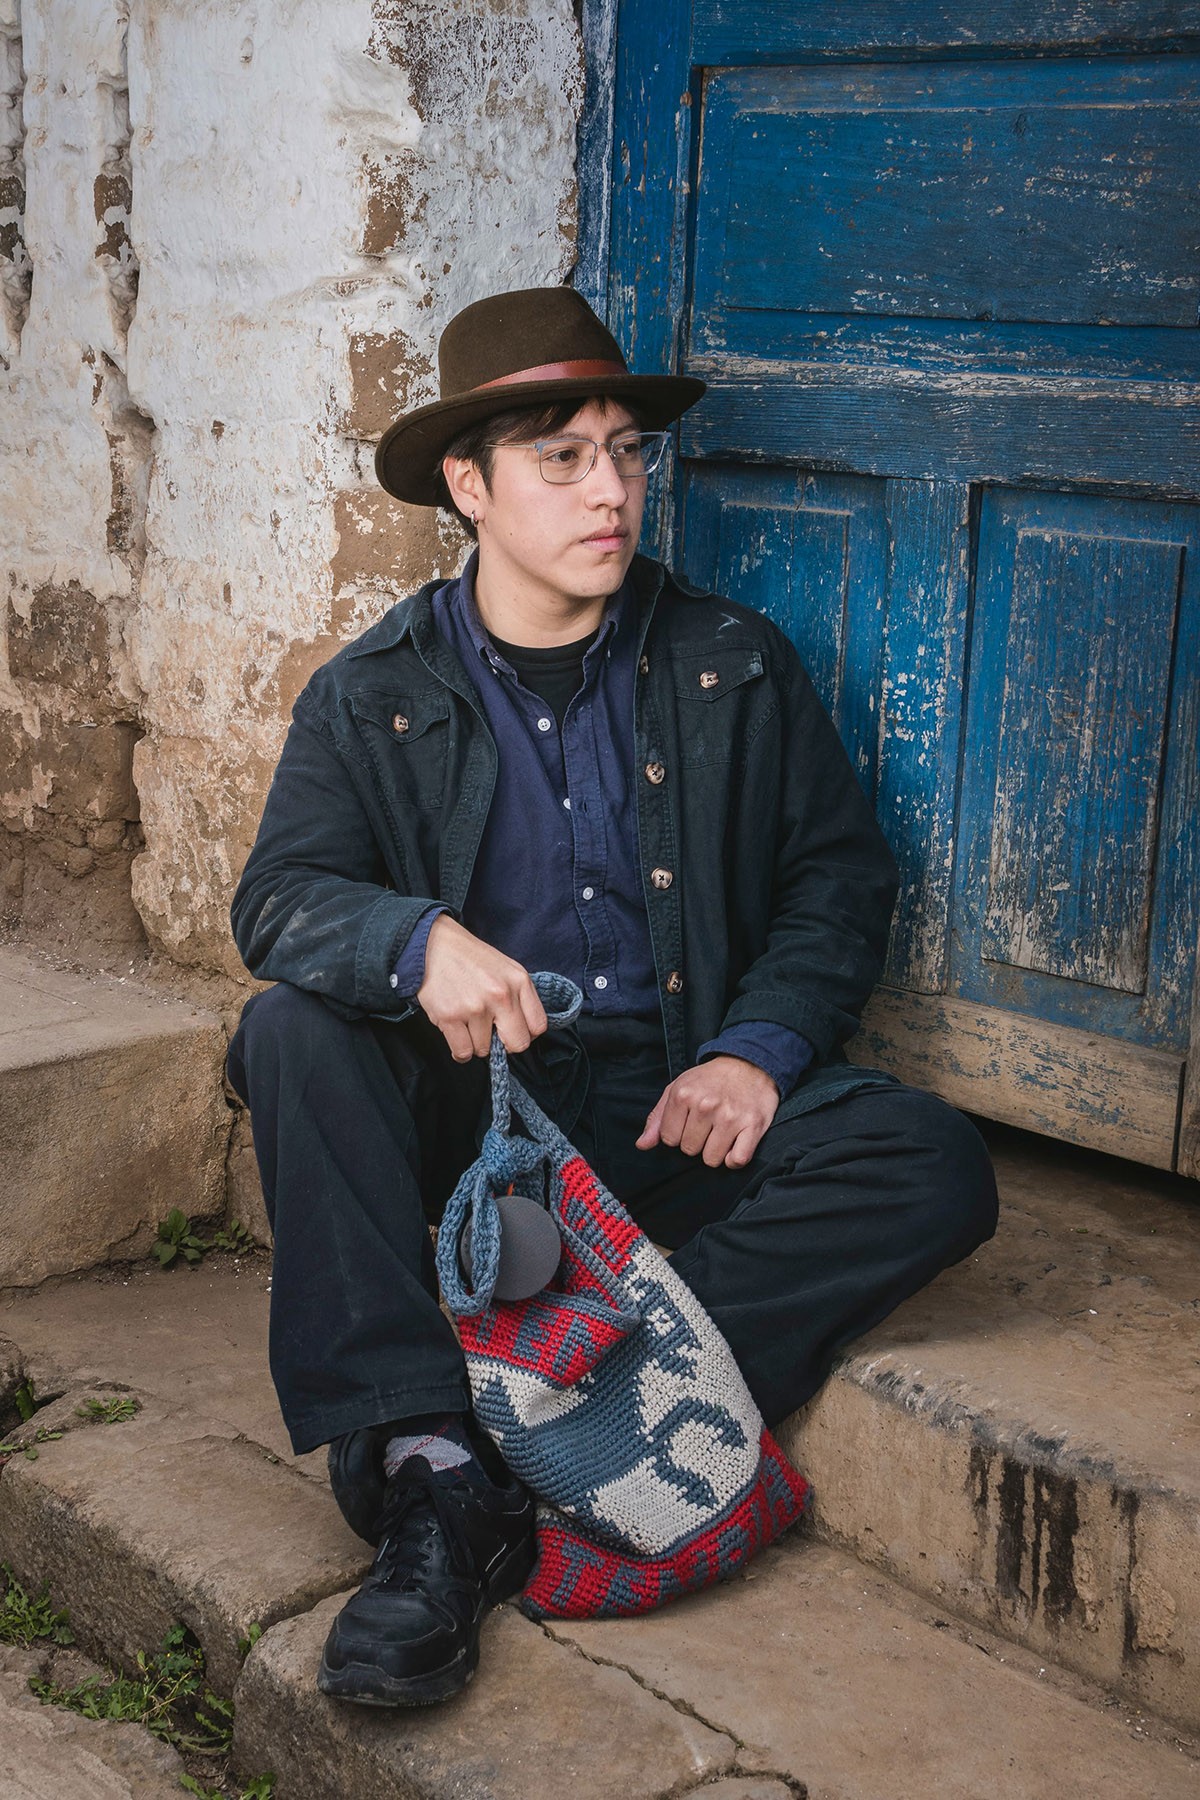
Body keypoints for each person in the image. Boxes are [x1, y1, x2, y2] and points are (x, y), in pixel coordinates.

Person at [226, 285, 998, 1708]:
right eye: (562, 458)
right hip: (480, 1137)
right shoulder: (372, 692)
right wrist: (413, 944)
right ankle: (436, 1460)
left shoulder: (733, 662)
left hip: (668, 1117)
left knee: (929, 1160)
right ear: (468, 485)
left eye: (626, 451)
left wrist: (759, 1056)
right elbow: (277, 904)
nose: (614, 490)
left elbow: (839, 881)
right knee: (289, 1028)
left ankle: (532, 1417)